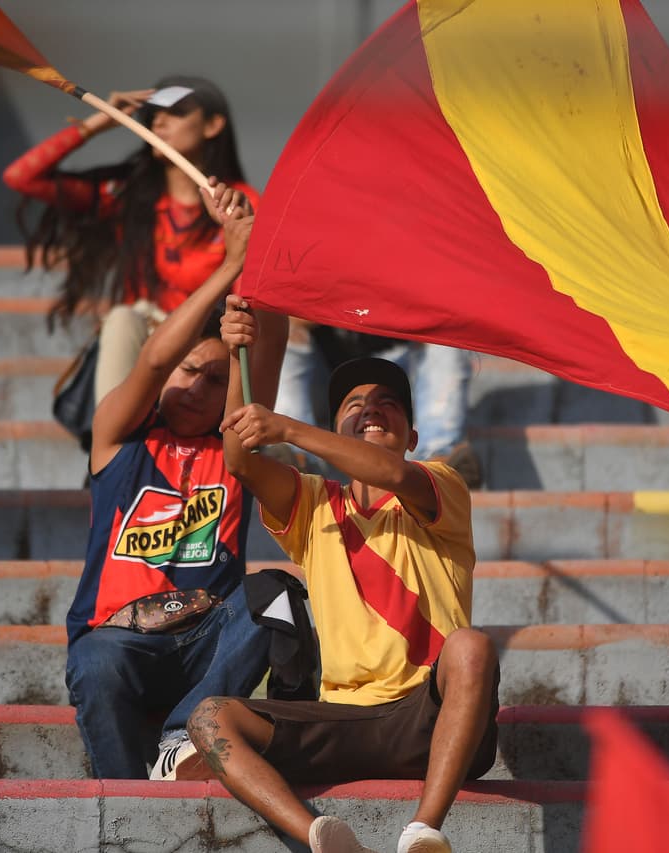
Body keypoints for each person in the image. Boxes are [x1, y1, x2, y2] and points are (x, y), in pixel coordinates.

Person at [188, 294, 501, 853]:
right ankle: (319, 834)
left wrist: (289, 427)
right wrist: (241, 350)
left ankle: (423, 830)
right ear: (337, 425)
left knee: (471, 648)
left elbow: (386, 470)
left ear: (412, 437)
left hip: (428, 715)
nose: (370, 410)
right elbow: (238, 458)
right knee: (211, 719)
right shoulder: (312, 502)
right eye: (354, 405)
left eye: (387, 404)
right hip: (341, 718)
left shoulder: (439, 483)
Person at [63, 183, 279, 780]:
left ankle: (183, 740)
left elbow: (264, 366)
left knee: (276, 596)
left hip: (208, 638)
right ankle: (127, 805)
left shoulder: (235, 452)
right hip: (118, 639)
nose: (195, 388)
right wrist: (231, 263)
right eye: (190, 371)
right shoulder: (119, 436)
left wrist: (259, 272)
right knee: (97, 660)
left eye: (215, 380)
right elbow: (154, 358)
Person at [3, 74, 260, 417]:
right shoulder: (126, 194)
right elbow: (21, 177)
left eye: (177, 112)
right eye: (153, 114)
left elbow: (254, 296)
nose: (159, 121)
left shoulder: (242, 202)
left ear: (213, 125)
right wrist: (99, 122)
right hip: (143, 341)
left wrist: (230, 228)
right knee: (123, 318)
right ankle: (113, 443)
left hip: (210, 346)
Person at [274, 320, 482, 487]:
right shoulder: (314, 269)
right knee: (283, 325)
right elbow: (294, 315)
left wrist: (375, 298)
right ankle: (296, 457)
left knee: (446, 328)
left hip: (401, 368)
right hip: (326, 380)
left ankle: (440, 459)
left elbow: (437, 308)